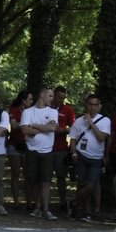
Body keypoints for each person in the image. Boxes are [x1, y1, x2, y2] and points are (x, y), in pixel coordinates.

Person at [65, 94, 110, 222]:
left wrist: (90, 122)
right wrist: (74, 153)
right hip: (81, 156)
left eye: (95, 104)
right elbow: (73, 139)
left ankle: (74, 203)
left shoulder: (105, 121)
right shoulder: (79, 121)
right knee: (82, 183)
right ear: (86, 105)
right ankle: (85, 211)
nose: (92, 107)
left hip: (96, 158)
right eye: (90, 104)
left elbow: (102, 138)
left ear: (100, 106)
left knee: (91, 185)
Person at [21, 87, 61, 220]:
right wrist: (41, 128)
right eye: (50, 96)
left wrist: (34, 125)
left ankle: (46, 209)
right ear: (42, 95)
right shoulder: (27, 112)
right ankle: (37, 207)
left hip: (47, 151)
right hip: (32, 150)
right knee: (34, 181)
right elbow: (25, 130)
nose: (52, 99)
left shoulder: (53, 112)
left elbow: (52, 128)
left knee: (45, 181)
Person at [51, 85, 77, 214]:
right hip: (46, 148)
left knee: (61, 176)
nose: (61, 100)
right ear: (54, 95)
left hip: (61, 148)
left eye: (63, 98)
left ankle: (62, 201)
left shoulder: (68, 110)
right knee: (45, 177)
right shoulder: (46, 107)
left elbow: (74, 128)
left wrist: (64, 130)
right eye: (59, 97)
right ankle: (44, 202)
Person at [8, 88, 32, 209]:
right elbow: (13, 125)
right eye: (29, 99)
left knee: (28, 175)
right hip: (14, 144)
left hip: (28, 145)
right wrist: (25, 122)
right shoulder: (14, 110)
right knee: (15, 173)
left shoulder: (33, 111)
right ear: (23, 101)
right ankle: (16, 201)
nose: (31, 102)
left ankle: (29, 202)